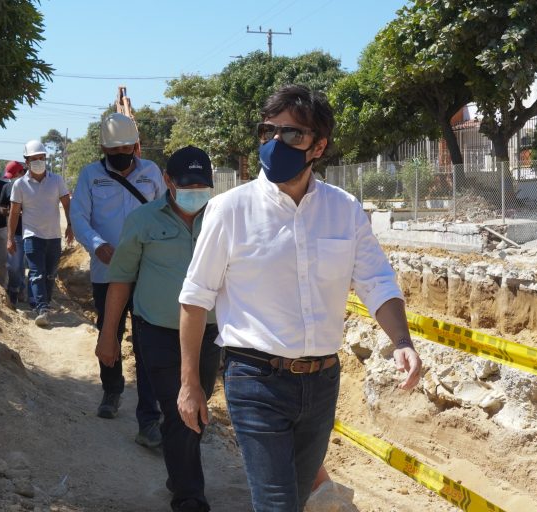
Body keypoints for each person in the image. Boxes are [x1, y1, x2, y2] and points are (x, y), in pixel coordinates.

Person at [177, 85, 423, 511]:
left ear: (319, 146)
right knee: (275, 503)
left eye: (292, 135)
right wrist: (189, 382)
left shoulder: (343, 209)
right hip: (255, 379)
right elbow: (195, 300)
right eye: (268, 131)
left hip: (322, 382)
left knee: (297, 497)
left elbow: (377, 281)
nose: (276, 144)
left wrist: (402, 341)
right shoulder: (229, 210)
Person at [96, 146, 219, 512]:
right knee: (181, 404)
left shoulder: (221, 219)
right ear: (167, 181)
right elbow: (120, 279)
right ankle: (189, 498)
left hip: (209, 333)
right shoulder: (143, 221)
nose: (196, 191)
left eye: (203, 185)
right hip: (158, 332)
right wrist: (108, 335)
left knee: (196, 405)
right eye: (188, 184)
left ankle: (178, 472)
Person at [70, 113, 165, 443]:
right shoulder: (90, 176)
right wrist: (97, 245)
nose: (121, 154)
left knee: (147, 342)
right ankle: (111, 391)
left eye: (127, 147)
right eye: (114, 149)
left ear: (136, 146)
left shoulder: (152, 173)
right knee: (109, 331)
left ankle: (148, 415)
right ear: (103, 149)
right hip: (106, 272)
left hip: (147, 273)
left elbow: (165, 212)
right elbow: (79, 217)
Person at [7, 140, 74, 328]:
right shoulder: (20, 185)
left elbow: (67, 204)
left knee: (50, 274)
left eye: (41, 158)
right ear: (26, 161)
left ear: (46, 159)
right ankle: (42, 309)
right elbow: (13, 213)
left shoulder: (57, 181)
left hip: (53, 236)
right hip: (31, 235)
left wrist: (70, 225)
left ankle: (40, 302)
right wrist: (10, 238)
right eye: (34, 158)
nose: (38, 161)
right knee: (37, 272)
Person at [0, 161, 28, 305]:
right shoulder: (7, 187)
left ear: (21, 172)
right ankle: (13, 290)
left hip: (30, 232)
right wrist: (12, 212)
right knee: (14, 266)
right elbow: (1, 208)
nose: (11, 179)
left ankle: (22, 290)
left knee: (23, 265)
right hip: (15, 233)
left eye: (13, 175)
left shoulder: (30, 187)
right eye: (10, 176)